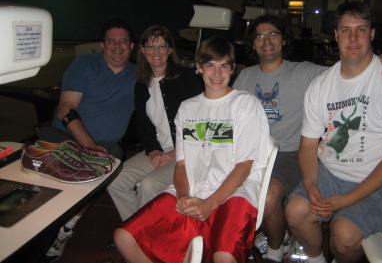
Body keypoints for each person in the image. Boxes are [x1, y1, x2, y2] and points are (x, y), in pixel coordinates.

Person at [232, 15, 382, 263]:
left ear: (283, 41)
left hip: (290, 152)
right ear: (253, 44)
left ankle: (275, 247)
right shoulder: (245, 77)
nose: (266, 40)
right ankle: (266, 234)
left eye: (273, 34)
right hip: (254, 152)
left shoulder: (305, 72)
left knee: (269, 196)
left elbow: (353, 66)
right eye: (260, 36)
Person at [285, 1, 382, 263]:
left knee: (344, 236)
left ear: (372, 35)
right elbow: (307, 145)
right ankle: (316, 260)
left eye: (360, 30)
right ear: (335, 35)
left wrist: (345, 201)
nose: (352, 38)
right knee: (295, 211)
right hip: (333, 173)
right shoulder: (321, 84)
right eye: (345, 30)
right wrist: (311, 184)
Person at [114, 36, 270, 263]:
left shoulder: (245, 104)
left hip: (235, 193)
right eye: (210, 65)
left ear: (232, 69)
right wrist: (184, 195)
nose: (217, 74)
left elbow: (245, 165)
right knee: (124, 237)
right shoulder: (188, 108)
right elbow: (182, 163)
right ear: (198, 67)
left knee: (223, 256)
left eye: (224, 66)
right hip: (194, 189)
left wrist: (211, 203)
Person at [37, 18, 136, 262]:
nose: (117, 46)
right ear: (102, 45)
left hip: (107, 144)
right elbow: (66, 109)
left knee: (91, 179)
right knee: (46, 184)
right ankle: (37, 231)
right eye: (111, 41)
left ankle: (64, 231)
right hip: (63, 135)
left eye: (123, 41)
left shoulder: (139, 75)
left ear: (132, 46)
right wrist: (88, 145)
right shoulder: (84, 64)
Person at [107, 25, 203, 221]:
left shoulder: (187, 78)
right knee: (115, 179)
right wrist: (154, 151)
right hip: (159, 149)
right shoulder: (142, 83)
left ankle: (141, 235)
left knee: (149, 185)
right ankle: (135, 229)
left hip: (187, 151)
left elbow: (201, 122)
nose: (156, 52)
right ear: (142, 50)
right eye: (151, 46)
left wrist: (176, 152)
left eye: (162, 47)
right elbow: (143, 125)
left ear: (170, 50)